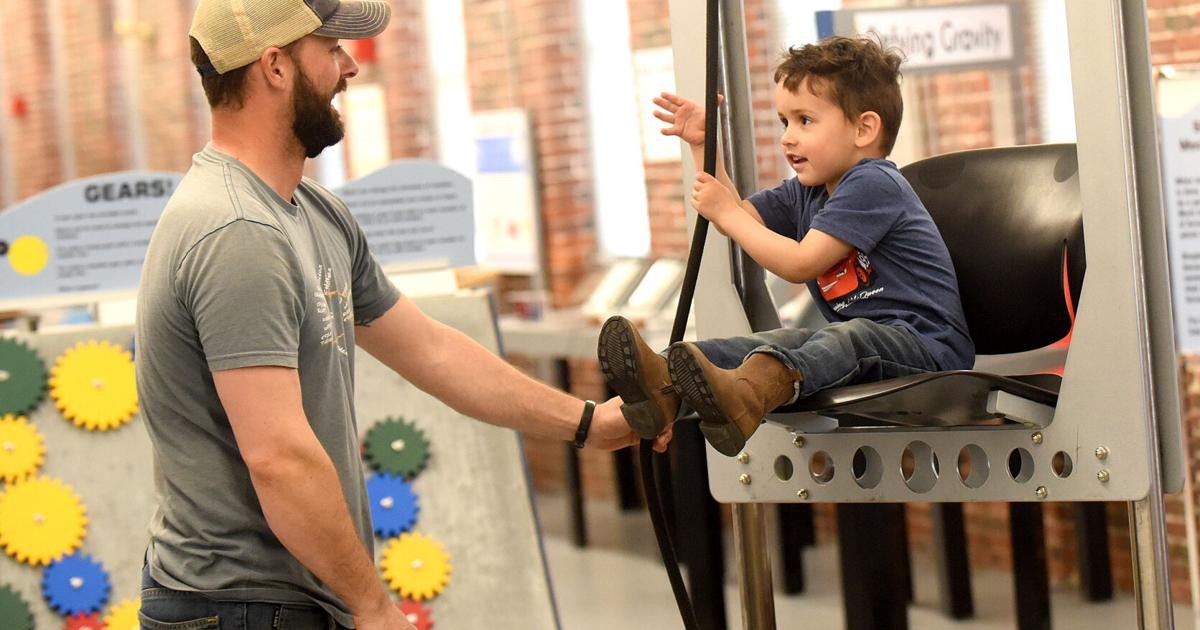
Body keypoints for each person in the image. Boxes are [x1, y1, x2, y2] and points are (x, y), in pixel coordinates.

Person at [134, 1, 666, 629]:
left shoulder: (312, 211)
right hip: (240, 605)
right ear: (275, 66)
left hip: (287, 596)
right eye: (330, 50)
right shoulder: (236, 231)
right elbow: (278, 455)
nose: (350, 67)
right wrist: (371, 606)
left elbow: (433, 351)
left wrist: (585, 423)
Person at [598, 36, 974, 457]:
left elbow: (799, 263)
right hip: (856, 343)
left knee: (845, 339)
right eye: (784, 122)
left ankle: (746, 394)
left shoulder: (874, 183)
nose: (787, 138)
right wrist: (704, 146)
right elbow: (742, 215)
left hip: (927, 349)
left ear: (864, 129)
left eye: (805, 121)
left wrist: (728, 214)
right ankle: (665, 385)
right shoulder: (807, 192)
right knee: (779, 340)